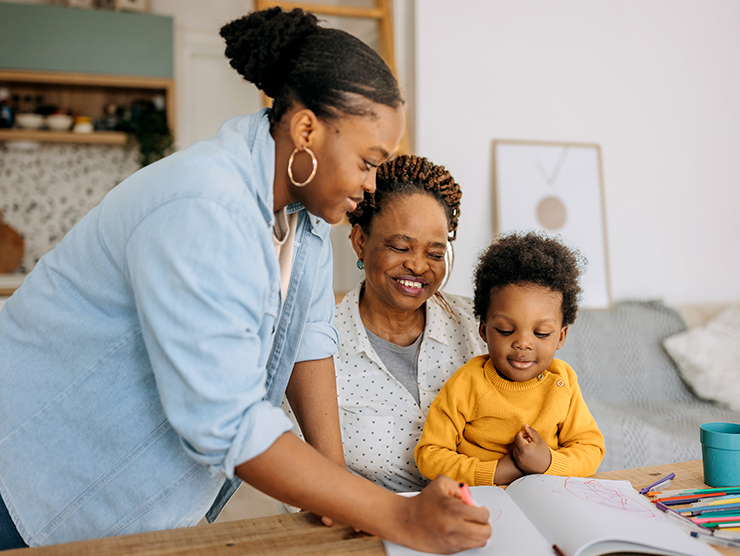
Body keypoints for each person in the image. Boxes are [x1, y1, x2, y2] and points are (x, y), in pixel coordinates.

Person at [0, 8, 490, 552]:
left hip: (126, 498)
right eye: (368, 161)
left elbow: (306, 335)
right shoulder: (204, 206)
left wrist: (337, 490)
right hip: (27, 482)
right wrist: (393, 514)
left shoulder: (301, 218)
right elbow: (226, 421)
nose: (373, 185)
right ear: (307, 129)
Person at [330, 154, 487, 492]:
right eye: (401, 246)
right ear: (360, 241)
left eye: (435, 254)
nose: (418, 266)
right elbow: (304, 476)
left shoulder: (479, 328)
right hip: (371, 528)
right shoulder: (321, 342)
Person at [415, 231, 605, 486]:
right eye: (505, 330)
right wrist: (494, 472)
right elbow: (429, 455)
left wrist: (547, 463)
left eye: (541, 333)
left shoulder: (563, 382)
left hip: (547, 497)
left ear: (561, 336)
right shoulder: (467, 383)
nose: (523, 343)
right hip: (482, 501)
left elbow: (591, 448)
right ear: (483, 330)